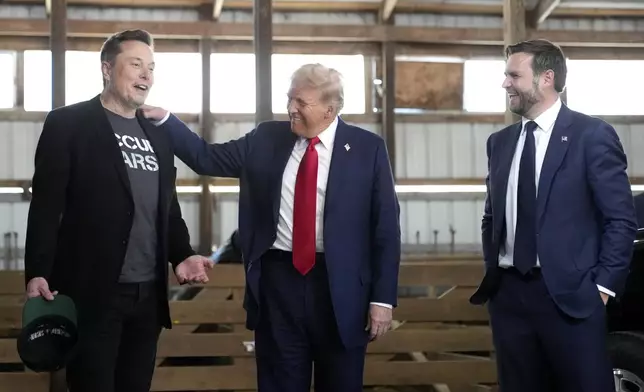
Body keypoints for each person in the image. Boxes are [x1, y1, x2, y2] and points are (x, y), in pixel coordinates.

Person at [142, 63, 401, 392]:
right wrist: (167, 121)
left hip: (343, 289)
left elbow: (386, 229)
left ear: (330, 109)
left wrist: (382, 299)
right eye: (289, 98)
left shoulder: (367, 148)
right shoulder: (266, 138)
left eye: (301, 103)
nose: (291, 108)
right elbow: (206, 158)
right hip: (279, 283)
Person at [23, 29, 214, 392]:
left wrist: (182, 254)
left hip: (148, 295)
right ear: (107, 69)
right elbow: (47, 205)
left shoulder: (157, 132)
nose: (146, 74)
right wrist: (37, 272)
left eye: (152, 67)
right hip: (92, 291)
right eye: (136, 64)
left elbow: (166, 206)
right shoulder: (68, 124)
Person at [469, 39, 638, 392]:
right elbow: (491, 219)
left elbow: (620, 221)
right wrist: (496, 276)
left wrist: (601, 290)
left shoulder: (592, 136)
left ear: (546, 78)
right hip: (510, 298)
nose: (505, 84)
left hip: (573, 299)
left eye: (513, 75)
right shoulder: (499, 143)